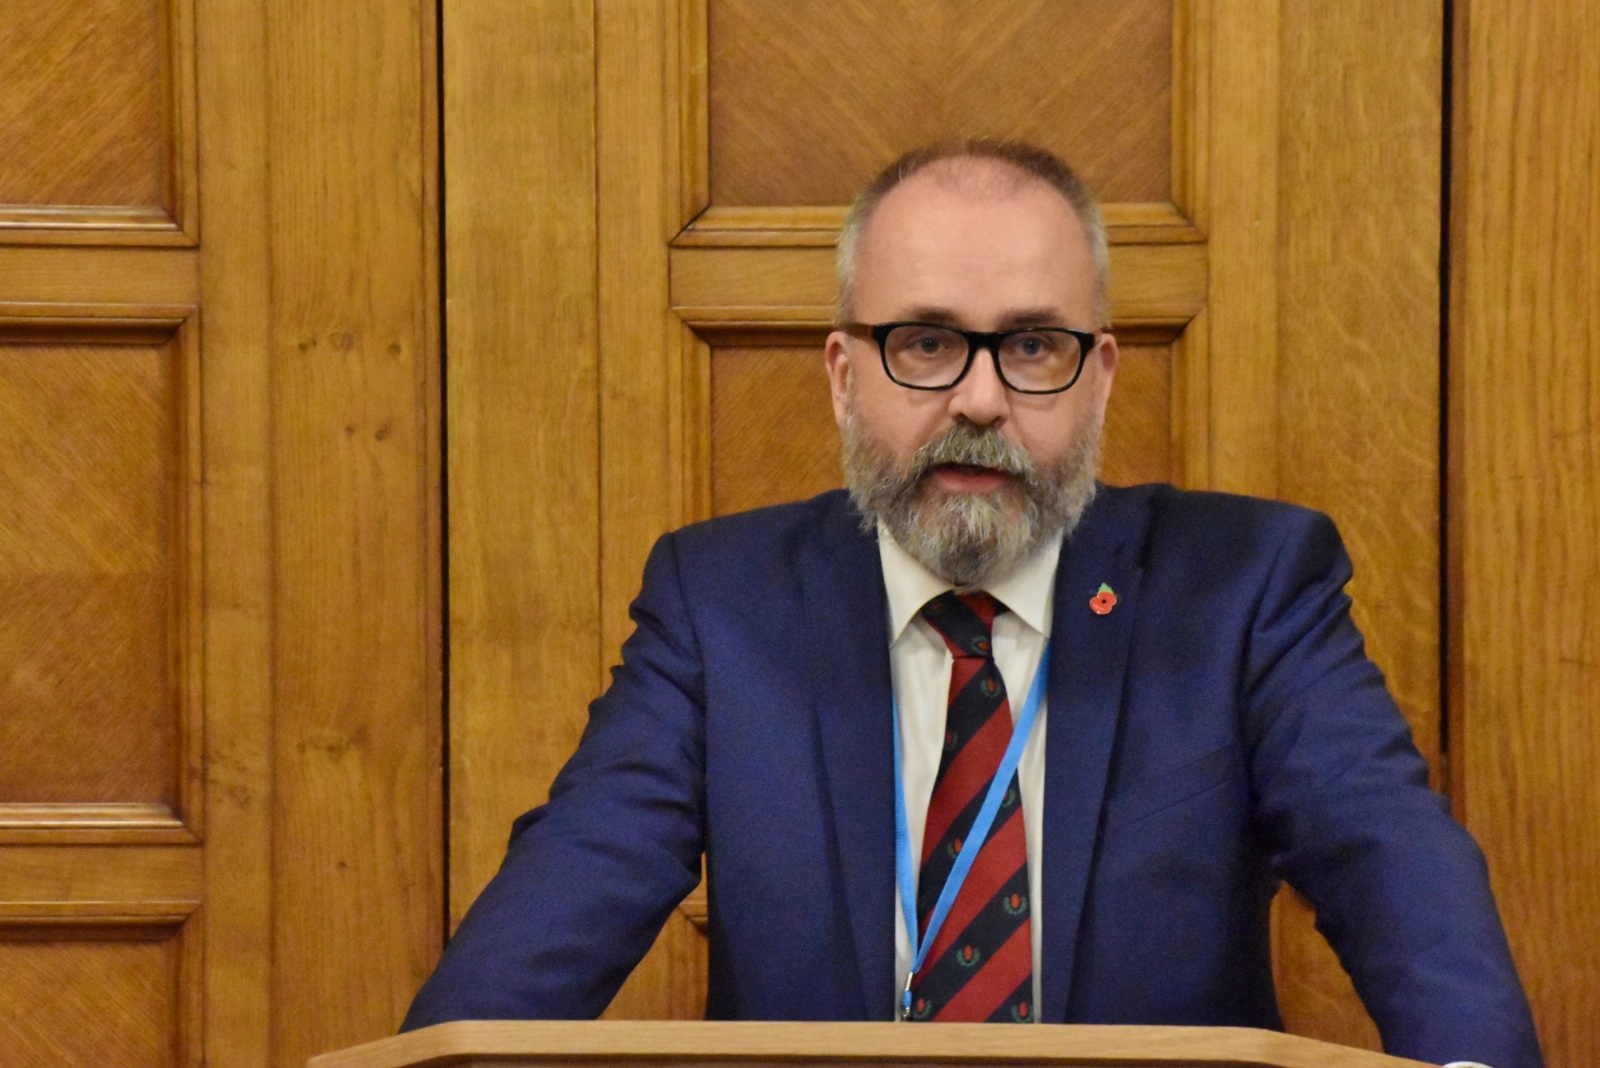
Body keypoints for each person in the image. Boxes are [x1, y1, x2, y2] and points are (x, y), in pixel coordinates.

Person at [402, 140, 1541, 1068]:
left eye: (1033, 346)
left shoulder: (1246, 588)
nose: (981, 399)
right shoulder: (724, 605)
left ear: (1099, 379)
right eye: (928, 343)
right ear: (843, 375)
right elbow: (568, 898)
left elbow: (1389, 860)